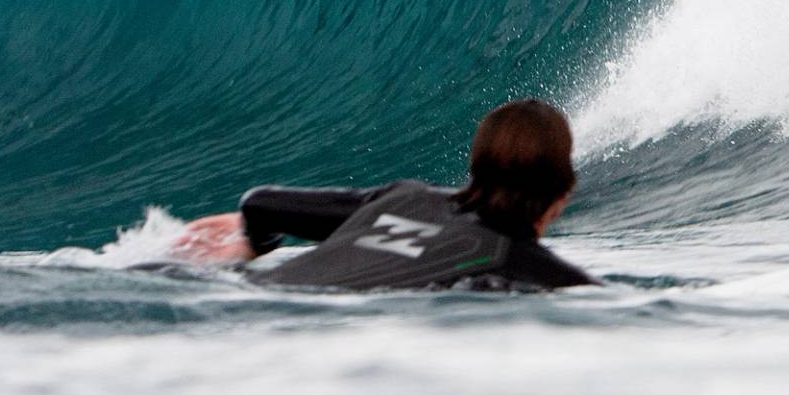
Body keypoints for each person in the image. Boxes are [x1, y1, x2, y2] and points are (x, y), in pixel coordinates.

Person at [170, 97, 594, 291]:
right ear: (563, 190)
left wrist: (253, 242)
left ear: (475, 168)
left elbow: (260, 203)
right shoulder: (522, 264)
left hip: (242, 292)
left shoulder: (405, 198)